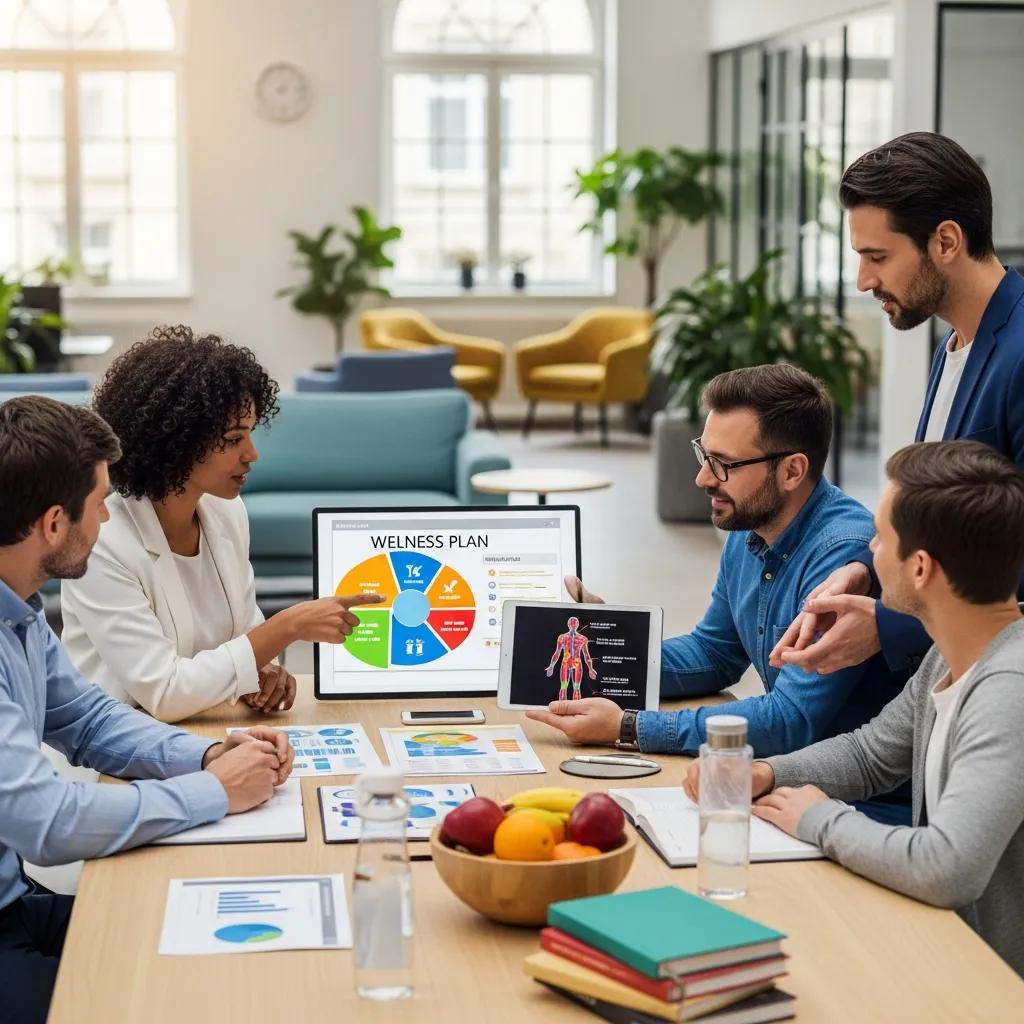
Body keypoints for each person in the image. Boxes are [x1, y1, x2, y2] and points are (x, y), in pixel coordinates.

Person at [0, 395, 296, 1023]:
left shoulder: (19, 613)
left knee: (213, 954)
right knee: (155, 1002)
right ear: (55, 523)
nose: (109, 518)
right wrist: (212, 792)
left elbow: (86, 719)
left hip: (14, 900)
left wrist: (210, 752)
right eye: (100, 502)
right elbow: (48, 823)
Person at [686, 441, 1024, 977]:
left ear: (919, 570)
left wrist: (820, 818)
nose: (868, 548)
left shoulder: (1010, 690)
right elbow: (871, 755)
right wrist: (768, 773)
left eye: (882, 537)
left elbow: (945, 867)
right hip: (946, 950)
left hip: (989, 984)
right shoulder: (949, 654)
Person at [527, 364, 910, 823]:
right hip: (780, 783)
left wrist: (629, 727)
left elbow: (790, 719)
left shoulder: (838, 557)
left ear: (792, 471)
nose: (703, 479)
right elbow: (715, 652)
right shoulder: (752, 522)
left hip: (858, 805)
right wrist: (612, 647)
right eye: (703, 455)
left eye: (723, 464)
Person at [771, 132, 1024, 679]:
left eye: (877, 257)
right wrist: (866, 571)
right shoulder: (953, 347)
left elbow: (1011, 564)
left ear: (947, 241)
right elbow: (938, 518)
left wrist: (888, 626)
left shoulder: (1021, 355)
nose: (864, 281)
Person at [60, 326, 382, 723]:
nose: (252, 454)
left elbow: (245, 632)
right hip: (117, 754)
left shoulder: (225, 512)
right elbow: (165, 692)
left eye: (249, 435)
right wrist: (290, 625)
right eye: (233, 439)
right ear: (176, 441)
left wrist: (265, 674)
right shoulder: (102, 545)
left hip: (206, 730)